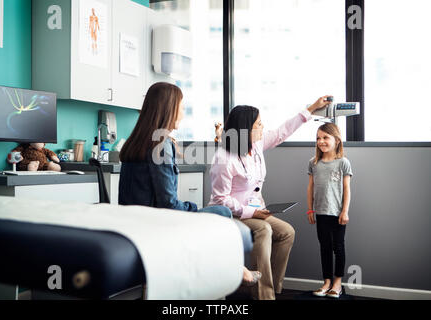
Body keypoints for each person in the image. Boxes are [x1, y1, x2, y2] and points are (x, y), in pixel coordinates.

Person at [119, 82, 261, 286]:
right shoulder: (161, 145)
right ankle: (233, 271)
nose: (183, 114)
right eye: (182, 107)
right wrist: (195, 209)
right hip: (155, 223)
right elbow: (168, 204)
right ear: (169, 108)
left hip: (136, 221)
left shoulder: (137, 141)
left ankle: (236, 269)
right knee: (222, 212)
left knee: (214, 213)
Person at [208, 98, 331, 300]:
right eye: (258, 124)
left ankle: (271, 288)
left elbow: (283, 131)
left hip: (255, 211)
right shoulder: (224, 158)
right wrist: (252, 212)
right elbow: (220, 200)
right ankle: (264, 296)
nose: (262, 127)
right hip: (230, 214)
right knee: (264, 229)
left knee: (286, 232)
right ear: (246, 128)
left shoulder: (255, 145)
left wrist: (311, 109)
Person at [307, 123, 352, 299]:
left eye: (325, 137)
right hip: (320, 212)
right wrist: (310, 210)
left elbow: (347, 189)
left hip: (338, 213)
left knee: (338, 247)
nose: (321, 141)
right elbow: (310, 188)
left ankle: (337, 283)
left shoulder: (343, 163)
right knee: (324, 247)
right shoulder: (314, 163)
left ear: (337, 140)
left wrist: (345, 211)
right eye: (318, 138)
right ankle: (327, 282)